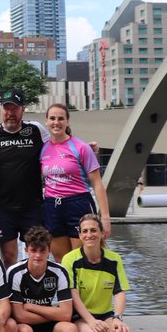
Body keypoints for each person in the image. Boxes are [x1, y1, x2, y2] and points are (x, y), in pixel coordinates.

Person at [0, 90, 51, 268]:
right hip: (2, 208)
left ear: (22, 110)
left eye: (15, 109)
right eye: (6, 109)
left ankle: (34, 293)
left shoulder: (36, 130)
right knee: (9, 256)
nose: (10, 114)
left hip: (32, 206)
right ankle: (11, 294)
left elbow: (58, 146)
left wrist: (86, 149)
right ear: (1, 110)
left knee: (36, 253)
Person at [42, 104, 111, 261]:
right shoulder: (43, 148)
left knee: (82, 257)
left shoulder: (81, 147)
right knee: (61, 260)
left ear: (68, 121)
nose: (56, 122)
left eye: (61, 118)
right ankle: (67, 286)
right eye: (52, 118)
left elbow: (97, 183)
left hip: (78, 203)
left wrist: (105, 217)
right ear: (46, 121)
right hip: (52, 206)